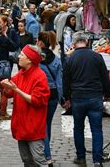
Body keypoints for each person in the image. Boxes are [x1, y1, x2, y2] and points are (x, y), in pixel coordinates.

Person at [63, 32, 110, 166]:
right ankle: (97, 160)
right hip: (95, 96)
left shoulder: (70, 59)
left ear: (74, 43)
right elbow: (104, 77)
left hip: (78, 97)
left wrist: (66, 98)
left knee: (78, 128)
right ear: (87, 41)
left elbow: (66, 80)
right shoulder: (97, 57)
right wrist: (107, 94)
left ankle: (81, 157)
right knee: (97, 129)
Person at [1, 45, 50, 167]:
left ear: (30, 59)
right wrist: (6, 88)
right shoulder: (20, 74)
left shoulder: (40, 76)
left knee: (39, 161)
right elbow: (10, 93)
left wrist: (16, 89)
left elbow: (37, 101)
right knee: (26, 160)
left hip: (34, 128)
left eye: (22, 54)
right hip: (21, 126)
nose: (19, 56)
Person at [37, 31, 63, 165]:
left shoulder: (36, 59)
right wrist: (60, 98)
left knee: (43, 126)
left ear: (41, 43)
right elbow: (59, 82)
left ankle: (47, 156)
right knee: (47, 124)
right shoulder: (56, 59)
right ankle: (45, 150)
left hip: (41, 94)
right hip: (52, 95)